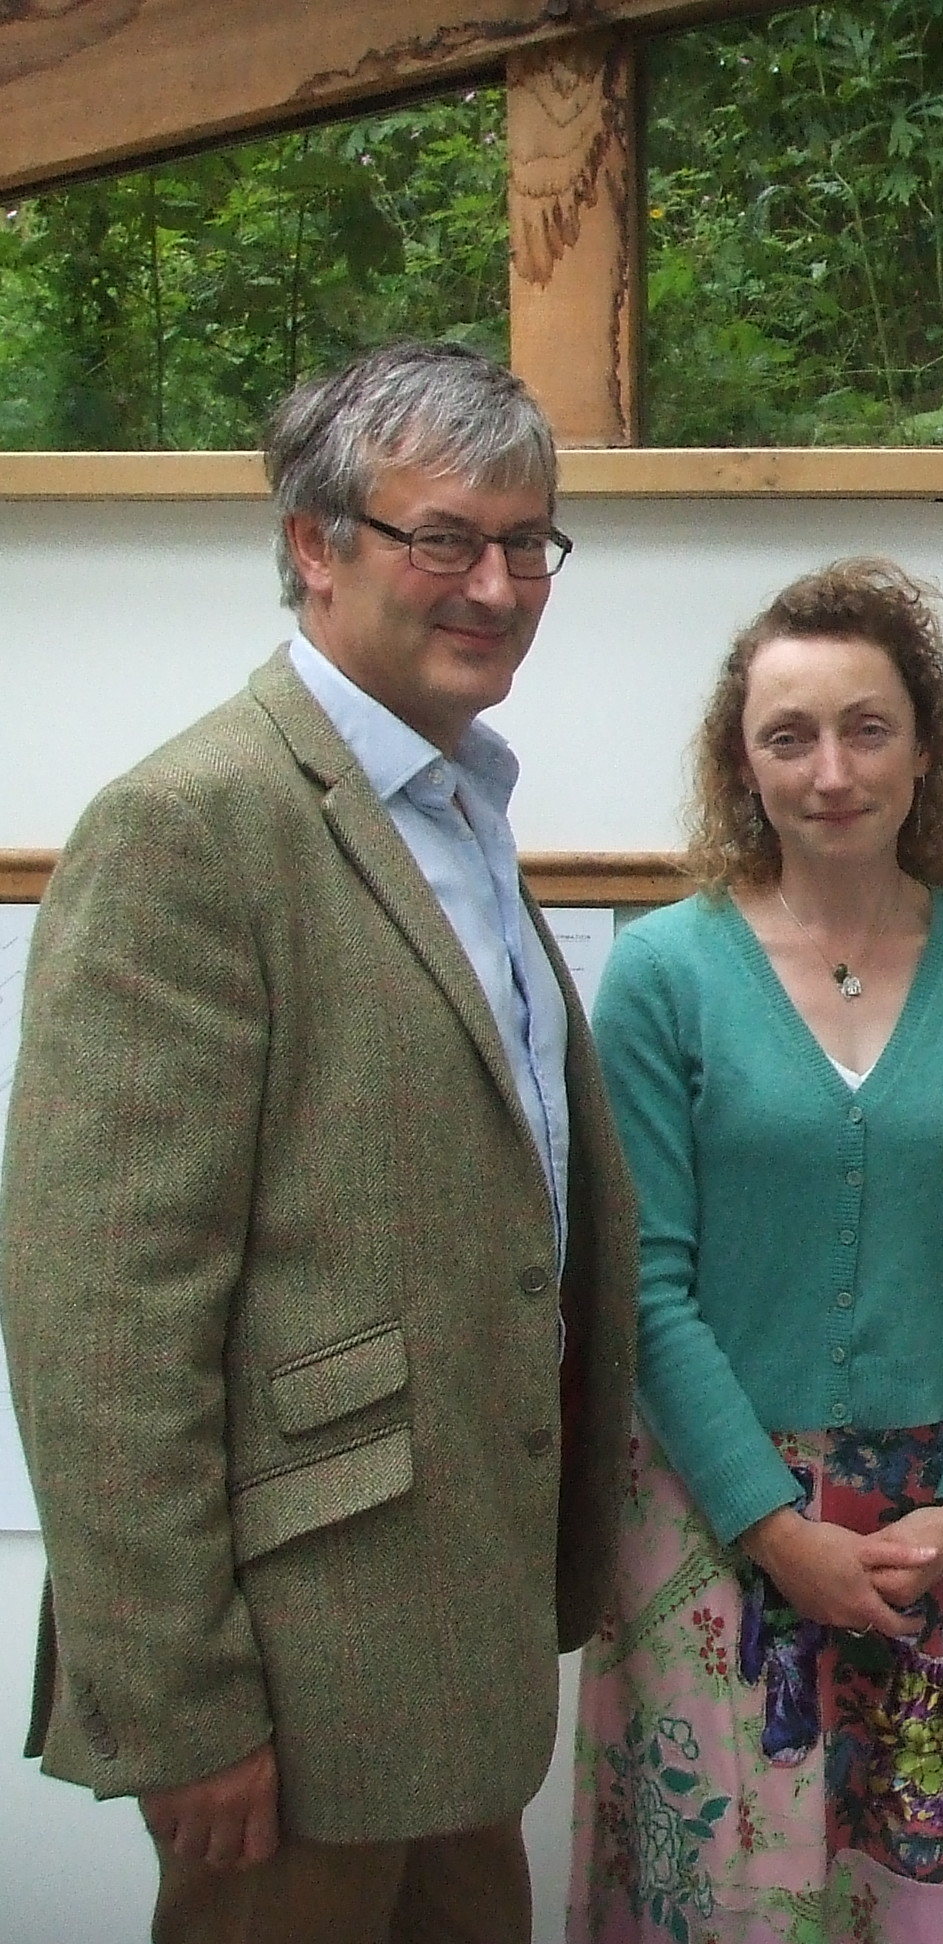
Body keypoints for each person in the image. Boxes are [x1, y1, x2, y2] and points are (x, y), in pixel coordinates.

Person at [0, 340, 639, 1942]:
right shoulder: (192, 828)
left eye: (525, 542)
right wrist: (181, 1703)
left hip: (456, 1634)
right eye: (445, 538)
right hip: (292, 1668)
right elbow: (101, 1320)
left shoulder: (459, 811)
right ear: (315, 543)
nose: (495, 583)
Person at [566, 558, 943, 1943]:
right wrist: (775, 1530)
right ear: (743, 762)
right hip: (713, 1526)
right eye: (788, 736)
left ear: (926, 748)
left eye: (866, 727)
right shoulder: (666, 973)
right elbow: (643, 1284)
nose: (831, 770)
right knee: (724, 1903)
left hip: (937, 1539)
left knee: (918, 1906)